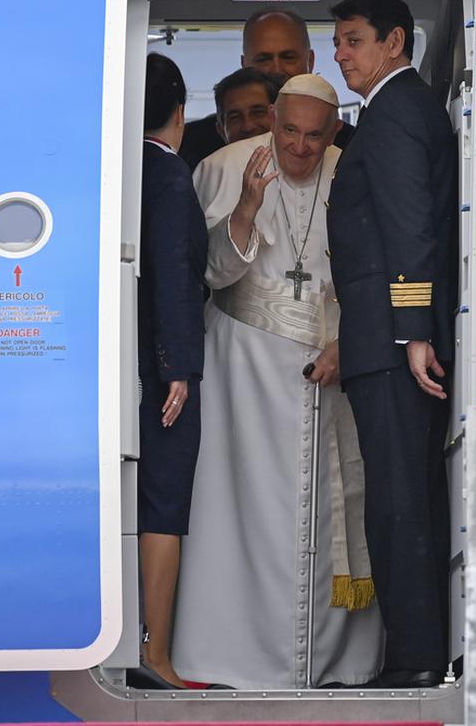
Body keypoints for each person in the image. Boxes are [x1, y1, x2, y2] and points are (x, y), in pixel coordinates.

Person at [171, 74, 382, 689]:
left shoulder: (353, 169)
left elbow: (374, 271)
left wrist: (353, 340)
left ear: (333, 131)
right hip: (244, 373)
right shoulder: (222, 165)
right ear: (272, 122)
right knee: (241, 509)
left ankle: (333, 659)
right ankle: (235, 656)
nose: (298, 148)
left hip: (333, 364)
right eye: (288, 131)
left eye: (314, 136)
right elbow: (206, 275)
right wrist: (244, 209)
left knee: (334, 507)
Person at [325, 0, 459, 689]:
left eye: (351, 40)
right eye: (339, 41)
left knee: (400, 502)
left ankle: (413, 660)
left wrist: (410, 330)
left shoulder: (396, 113)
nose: (339, 54)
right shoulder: (397, 111)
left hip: (393, 344)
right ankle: (417, 651)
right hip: (385, 340)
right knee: (405, 498)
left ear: (395, 42)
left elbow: (411, 228)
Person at [132, 52, 210, 691]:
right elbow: (174, 280)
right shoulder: (169, 177)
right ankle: (155, 655)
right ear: (181, 112)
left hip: (120, 367)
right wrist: (178, 367)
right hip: (160, 374)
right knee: (164, 505)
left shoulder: (114, 170)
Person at [179, 8, 356, 169]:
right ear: (244, 65)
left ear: (309, 60)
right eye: (263, 59)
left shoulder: (347, 142)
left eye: (288, 57)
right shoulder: (195, 144)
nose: (276, 70)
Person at [213, 67, 279, 146]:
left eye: (258, 112)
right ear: (221, 131)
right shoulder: (213, 159)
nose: (248, 127)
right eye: (235, 117)